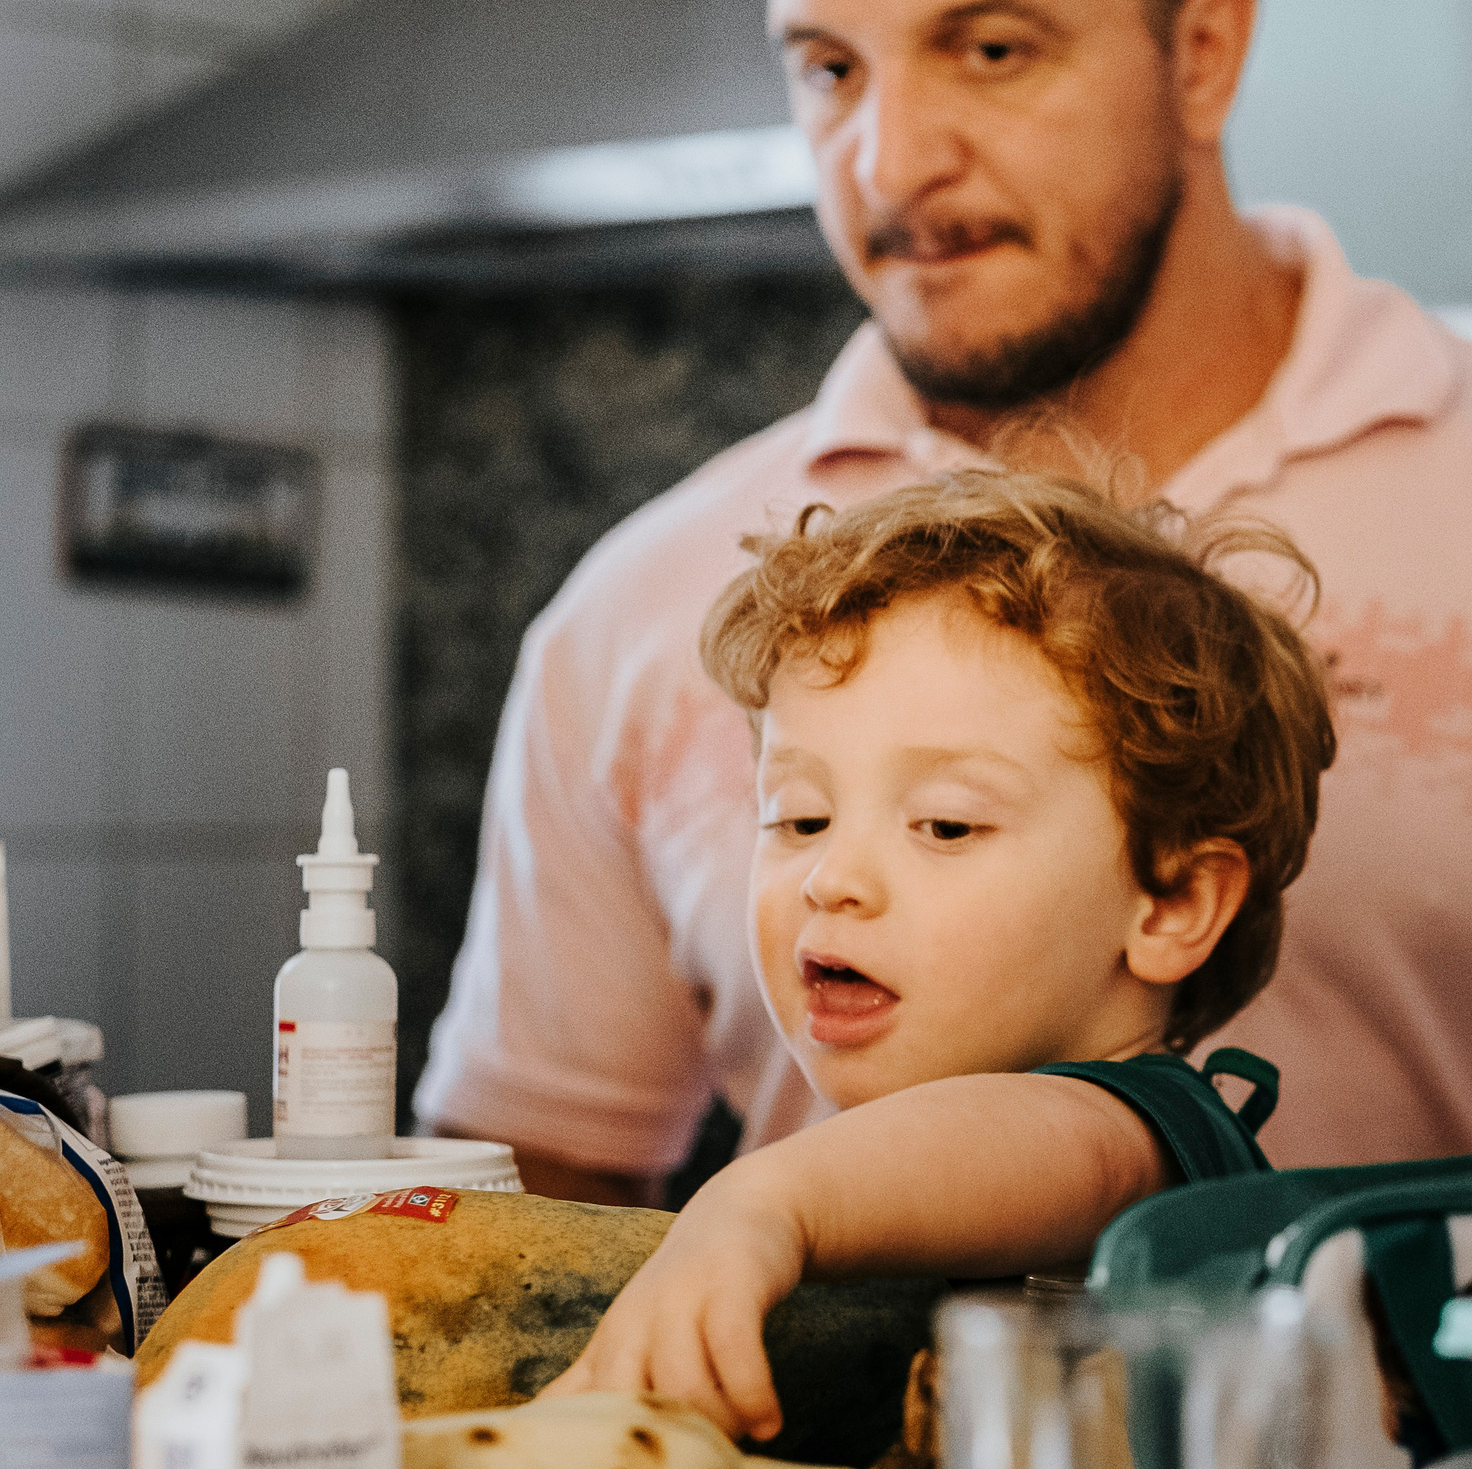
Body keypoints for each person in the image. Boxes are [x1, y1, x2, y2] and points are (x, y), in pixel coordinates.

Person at [415, 0, 1472, 1201]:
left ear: (1205, 53)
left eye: (990, 50)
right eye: (831, 67)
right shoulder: (644, 614)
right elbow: (526, 1228)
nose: (892, 161)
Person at [548, 469, 1331, 1439]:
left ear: (1170, 903)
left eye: (947, 826)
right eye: (798, 816)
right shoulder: (863, 1191)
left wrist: (759, 1205)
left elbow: (1040, 1144)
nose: (831, 878)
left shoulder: (1148, 1132)